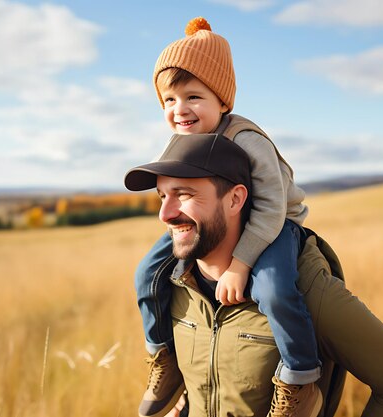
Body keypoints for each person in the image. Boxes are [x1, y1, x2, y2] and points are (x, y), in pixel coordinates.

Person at [124, 133, 383, 417]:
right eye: (162, 196)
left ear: (234, 199)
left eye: (184, 194)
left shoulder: (303, 289)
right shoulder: (169, 285)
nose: (165, 214)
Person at [135, 17, 320, 417]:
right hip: (215, 225)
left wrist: (240, 265)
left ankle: (300, 377)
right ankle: (164, 356)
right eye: (169, 100)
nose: (179, 110)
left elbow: (270, 206)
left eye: (193, 97)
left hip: (273, 225)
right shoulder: (180, 142)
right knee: (146, 273)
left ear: (223, 100)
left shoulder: (247, 140)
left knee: (273, 290)